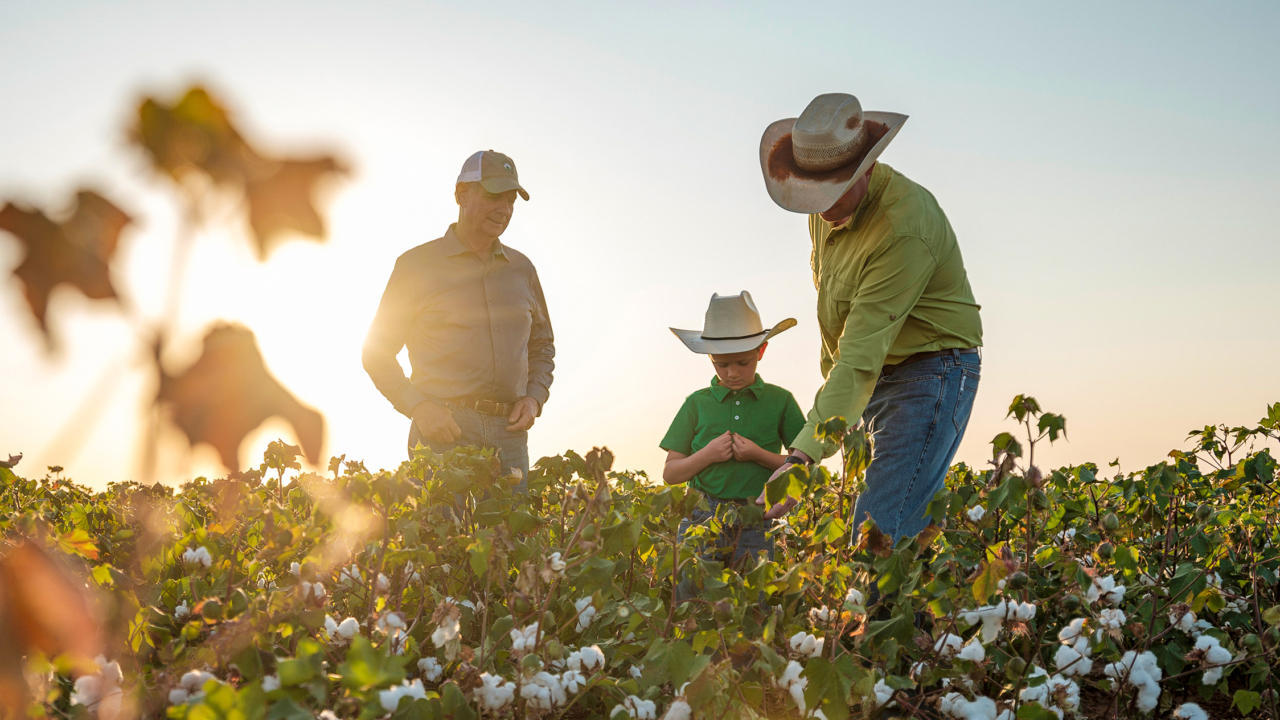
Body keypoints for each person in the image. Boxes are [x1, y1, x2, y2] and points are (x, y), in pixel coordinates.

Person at [755, 93, 983, 541]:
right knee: (896, 533)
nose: (821, 205)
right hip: (874, 374)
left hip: (930, 372)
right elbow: (836, 318)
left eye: (832, 191)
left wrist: (801, 458)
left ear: (867, 168)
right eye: (810, 192)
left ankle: (879, 612)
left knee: (878, 529)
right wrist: (837, 420)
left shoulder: (903, 226)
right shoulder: (824, 211)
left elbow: (860, 353)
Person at [362, 150, 554, 486]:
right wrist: (419, 408)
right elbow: (376, 352)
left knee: (511, 539)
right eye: (495, 196)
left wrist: (534, 398)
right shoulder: (416, 265)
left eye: (511, 201)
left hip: (510, 438)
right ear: (461, 194)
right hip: (443, 434)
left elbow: (542, 345)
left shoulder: (523, 270)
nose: (504, 210)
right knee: (445, 538)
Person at [660, 291, 805, 600]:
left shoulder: (781, 401)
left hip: (756, 517)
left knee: (753, 604)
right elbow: (671, 473)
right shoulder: (696, 404)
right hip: (701, 514)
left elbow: (803, 466)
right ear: (710, 358)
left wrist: (758, 454)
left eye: (743, 362)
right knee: (691, 600)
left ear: (761, 350)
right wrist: (707, 454)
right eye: (721, 364)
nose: (732, 373)